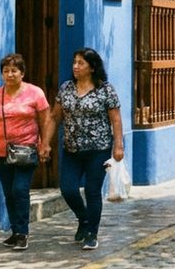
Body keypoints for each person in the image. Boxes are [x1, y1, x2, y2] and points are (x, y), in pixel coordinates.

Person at [0, 54, 52, 251]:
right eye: (6, 71)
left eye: (14, 71)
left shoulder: (35, 93)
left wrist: (45, 145)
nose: (9, 74)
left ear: (22, 73)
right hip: (1, 151)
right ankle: (15, 232)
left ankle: (23, 232)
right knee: (9, 193)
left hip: (27, 149)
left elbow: (46, 121)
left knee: (20, 190)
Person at [49, 48, 124, 250]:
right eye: (74, 62)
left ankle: (92, 232)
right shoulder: (66, 88)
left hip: (98, 149)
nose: (75, 66)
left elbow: (115, 119)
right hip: (72, 149)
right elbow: (55, 116)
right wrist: (45, 142)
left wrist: (118, 145)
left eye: (80, 63)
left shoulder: (105, 89)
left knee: (92, 190)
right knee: (68, 189)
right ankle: (83, 218)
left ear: (92, 67)